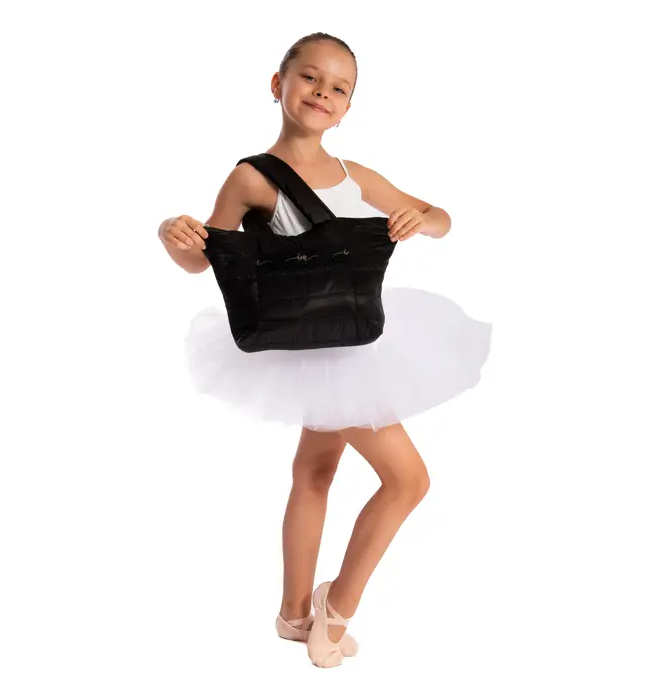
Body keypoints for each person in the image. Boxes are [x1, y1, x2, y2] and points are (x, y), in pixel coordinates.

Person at [158, 32, 493, 668]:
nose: (323, 93)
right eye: (310, 77)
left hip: (355, 338)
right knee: (409, 480)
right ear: (278, 83)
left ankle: (294, 615)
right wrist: (171, 233)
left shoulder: (355, 176)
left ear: (347, 108)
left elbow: (441, 217)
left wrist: (422, 219)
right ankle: (336, 609)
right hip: (315, 350)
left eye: (339, 88)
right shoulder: (251, 176)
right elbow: (205, 260)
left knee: (315, 474)